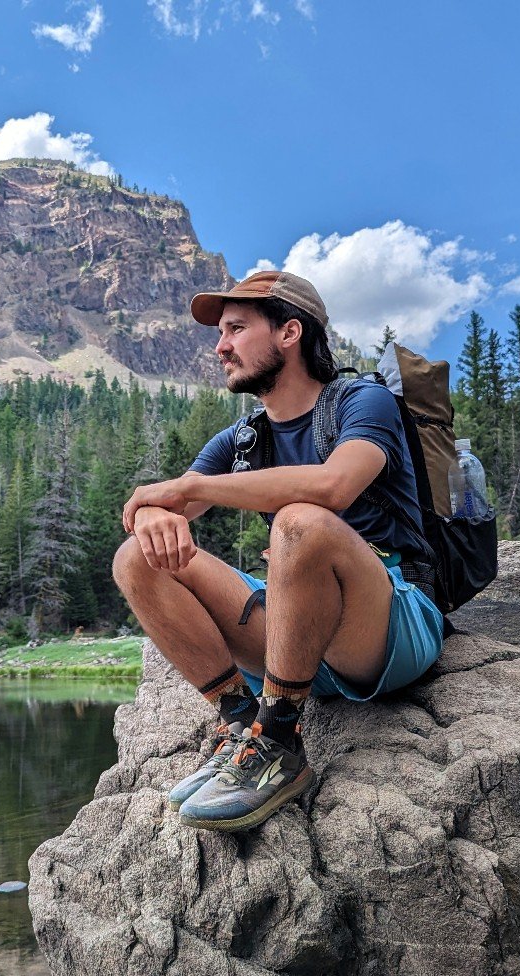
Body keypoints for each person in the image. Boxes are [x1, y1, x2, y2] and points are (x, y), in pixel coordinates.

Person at [113, 270, 444, 833]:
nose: (220, 347)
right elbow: (162, 509)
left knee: (300, 523)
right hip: (297, 633)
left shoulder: (363, 403)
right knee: (134, 559)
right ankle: (244, 723)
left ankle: (283, 744)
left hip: (387, 624)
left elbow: (334, 486)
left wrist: (188, 489)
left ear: (290, 333)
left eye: (236, 329)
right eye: (220, 333)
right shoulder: (243, 439)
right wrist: (151, 511)